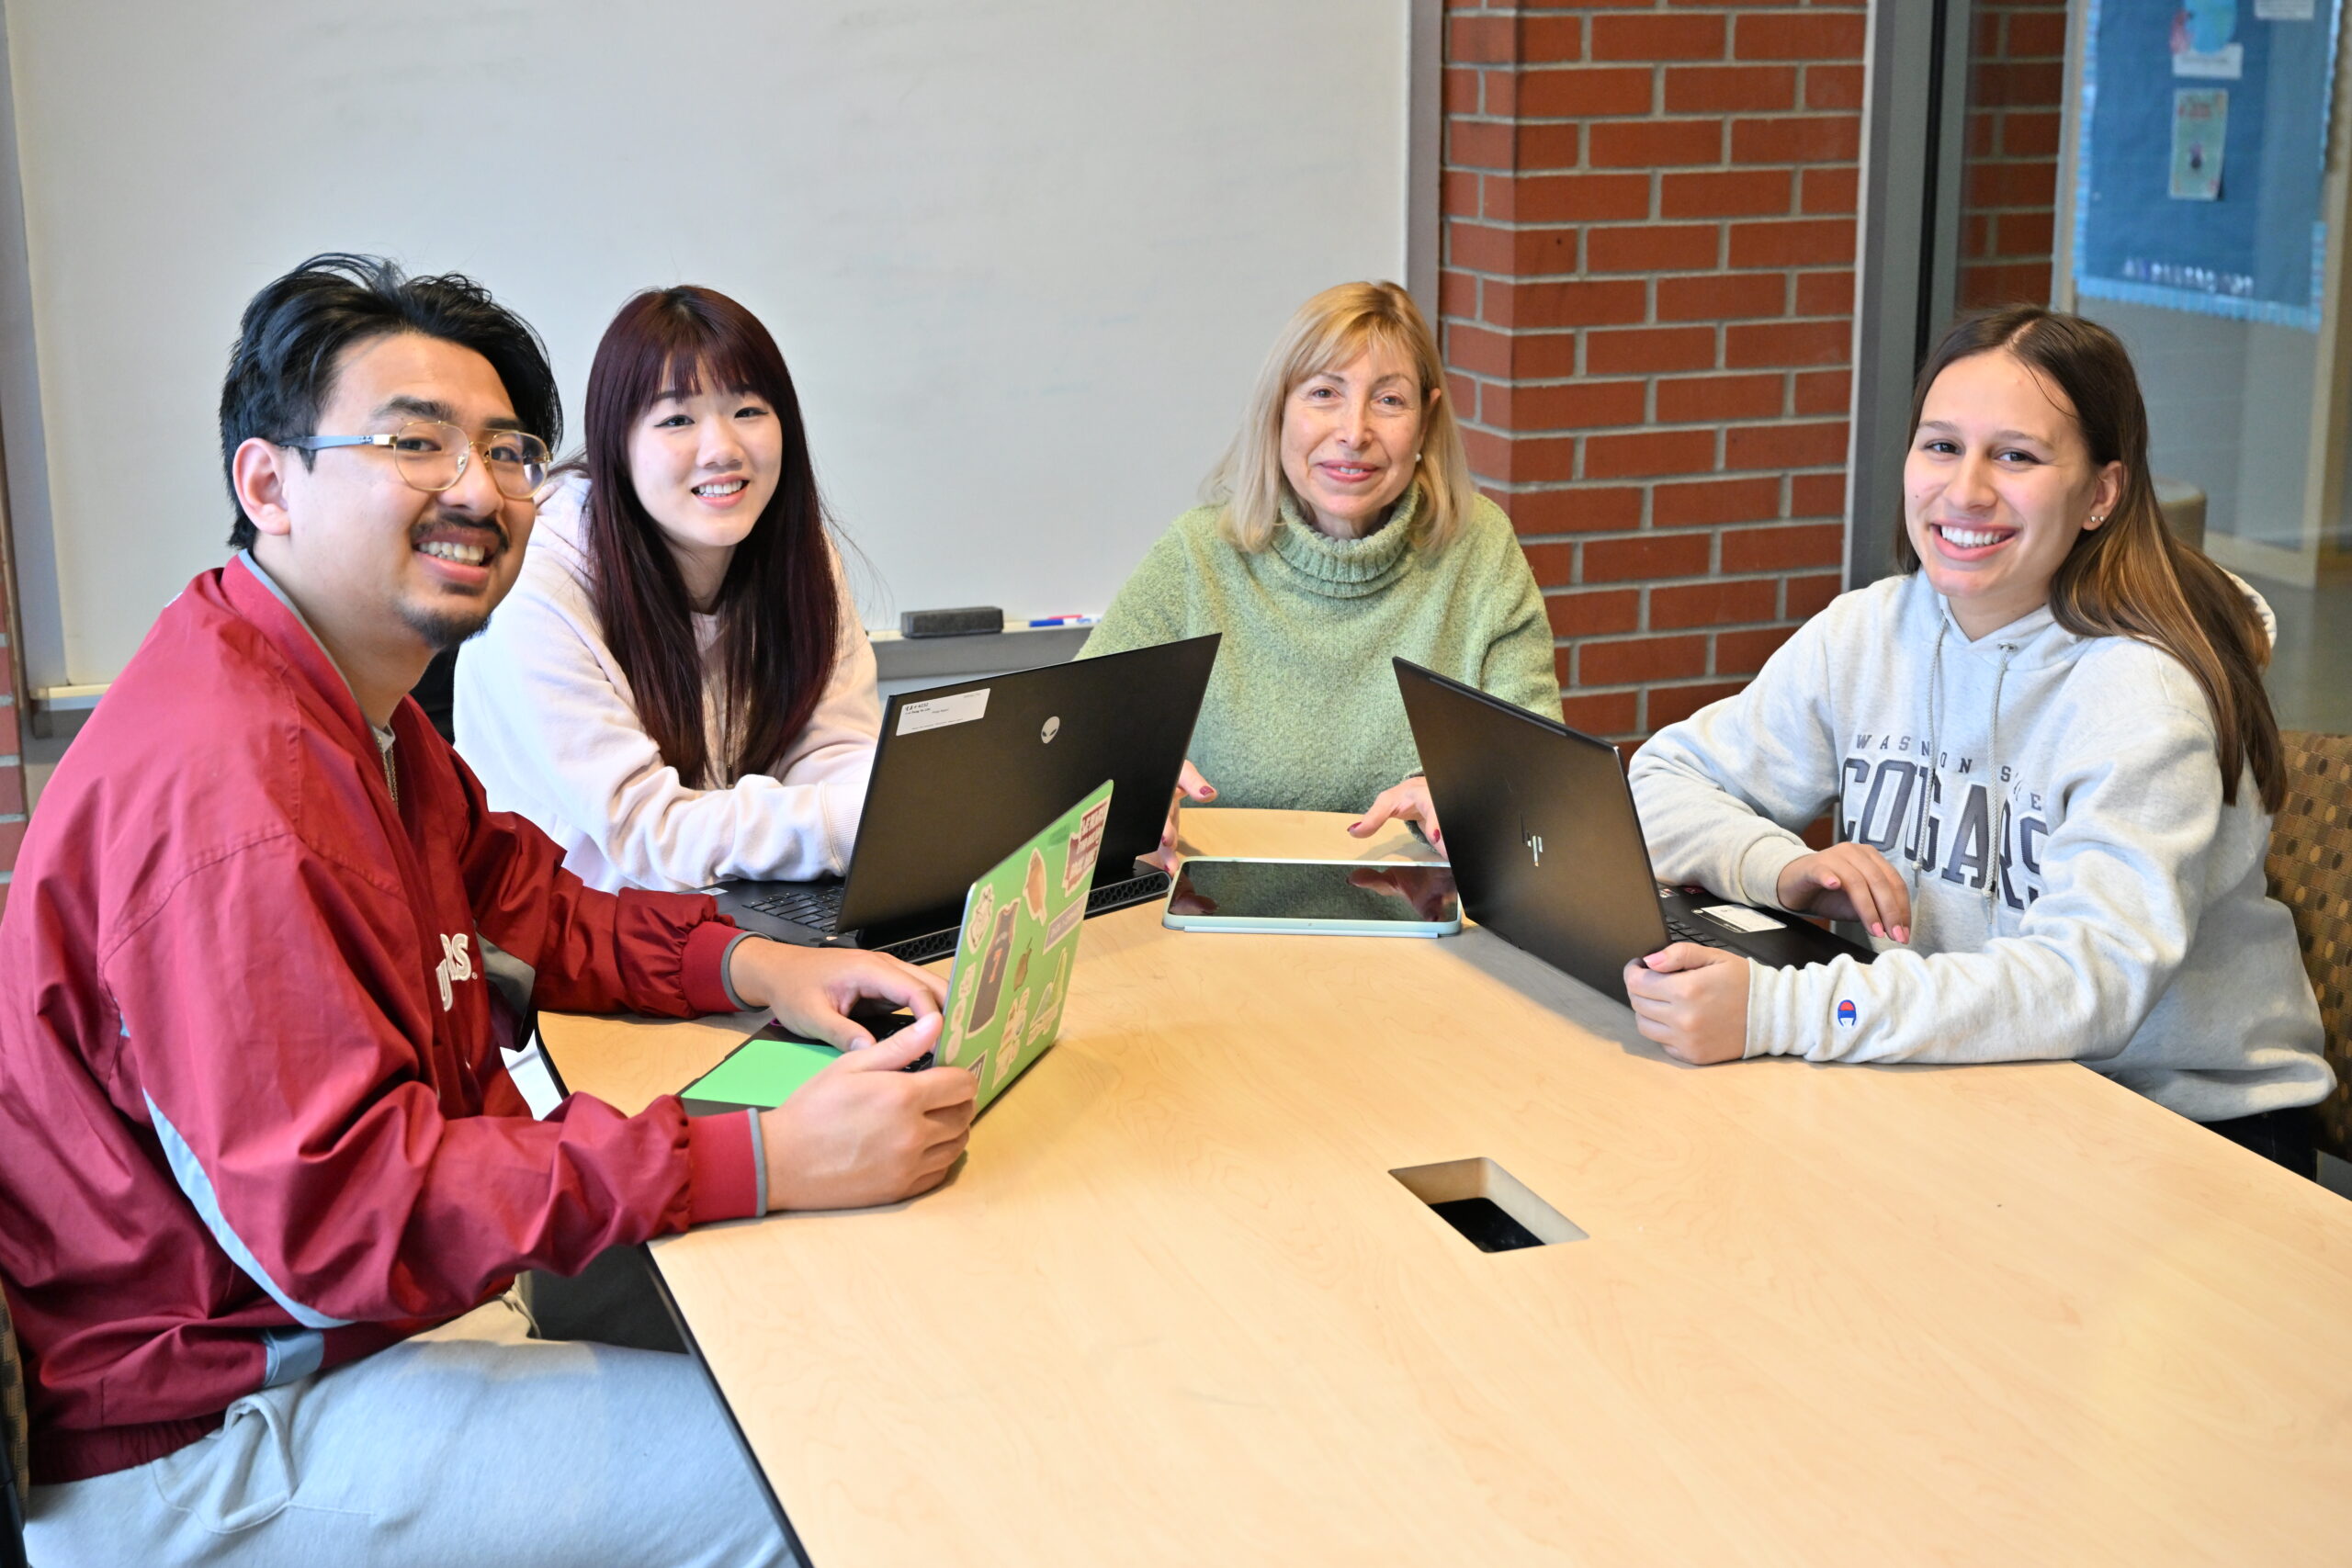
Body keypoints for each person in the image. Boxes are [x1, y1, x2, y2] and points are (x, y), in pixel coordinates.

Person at [0, 254, 978, 1567]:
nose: (478, 487)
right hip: (210, 1431)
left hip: (313, 1328)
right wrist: (765, 1153)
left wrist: (753, 964)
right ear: (266, 481)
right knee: (827, 1462)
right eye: (415, 441)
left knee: (809, 1312)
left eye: (507, 449)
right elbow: (347, 1218)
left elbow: (527, 896)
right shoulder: (232, 786)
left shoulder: (340, 698)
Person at [1622, 306, 2330, 1176]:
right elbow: (1660, 780)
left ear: (2102, 493)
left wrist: (1783, 1013)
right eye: (1942, 445)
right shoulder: (1874, 630)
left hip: (2176, 1121)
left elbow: (2086, 985)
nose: (1965, 491)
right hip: (1969, 1076)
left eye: (2018, 456)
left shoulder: (2142, 694)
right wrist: (1777, 866)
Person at [1078, 281, 1559, 855]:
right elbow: (1077, 740)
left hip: (1416, 911)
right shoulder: (1197, 553)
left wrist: (1466, 797)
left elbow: (1540, 781)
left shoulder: (1480, 546)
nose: (1354, 433)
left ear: (1425, 421)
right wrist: (1130, 781)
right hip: (1216, 909)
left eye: (1389, 400)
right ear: (1279, 409)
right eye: (1325, 393)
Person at [455, 285, 877, 892]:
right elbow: (646, 833)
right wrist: (845, 819)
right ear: (616, 448)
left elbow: (834, 747)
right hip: (574, 952)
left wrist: (895, 812)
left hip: (725, 920)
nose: (722, 451)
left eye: (749, 411)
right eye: (677, 419)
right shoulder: (538, 583)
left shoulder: (793, 548)